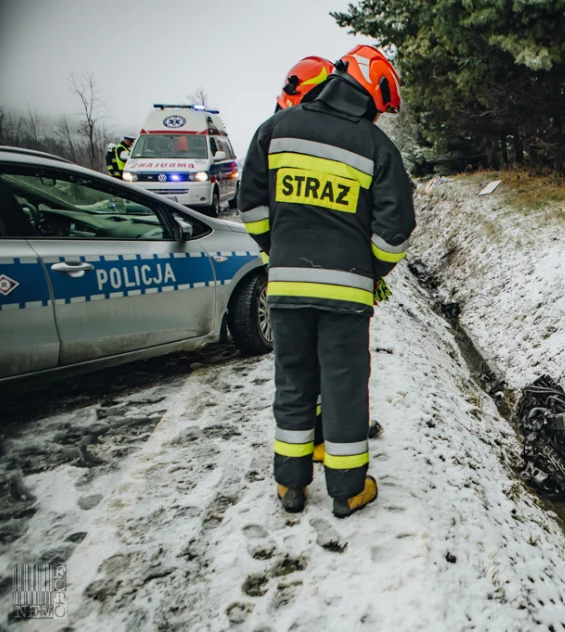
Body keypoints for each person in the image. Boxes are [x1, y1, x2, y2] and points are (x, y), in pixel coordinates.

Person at [238, 45, 415, 517]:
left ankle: (290, 486)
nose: (378, 118)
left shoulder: (276, 129)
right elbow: (395, 231)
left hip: (287, 288)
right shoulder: (377, 147)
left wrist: (279, 252)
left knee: (293, 381)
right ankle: (347, 490)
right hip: (347, 295)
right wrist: (371, 268)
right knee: (343, 387)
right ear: (369, 96)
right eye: (380, 109)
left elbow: (251, 205)